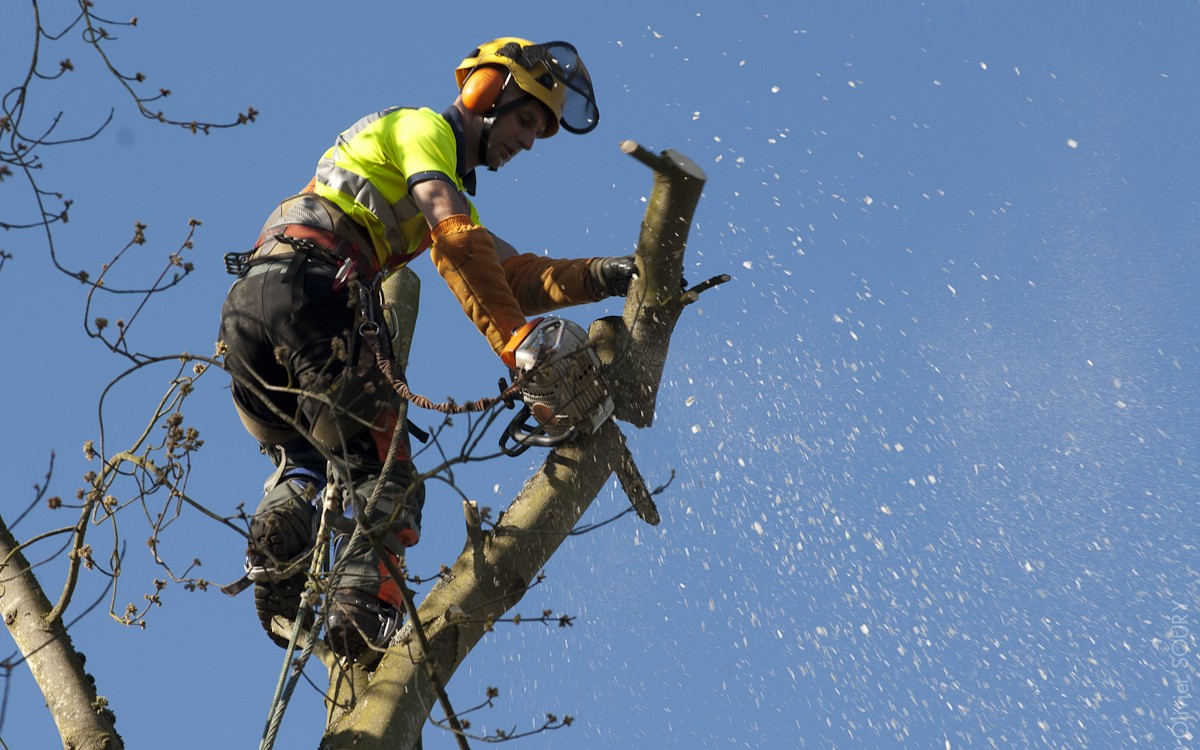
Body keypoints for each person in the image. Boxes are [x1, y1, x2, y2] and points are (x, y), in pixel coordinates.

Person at [217, 38, 639, 665]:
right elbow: (455, 240)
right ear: (486, 93)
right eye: (526, 120)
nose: (528, 142)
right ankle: (362, 617)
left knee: (309, 459)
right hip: (314, 298)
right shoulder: (422, 131)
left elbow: (510, 272)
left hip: (250, 312)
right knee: (387, 478)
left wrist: (601, 274)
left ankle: (279, 560)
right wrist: (518, 346)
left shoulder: (427, 171)